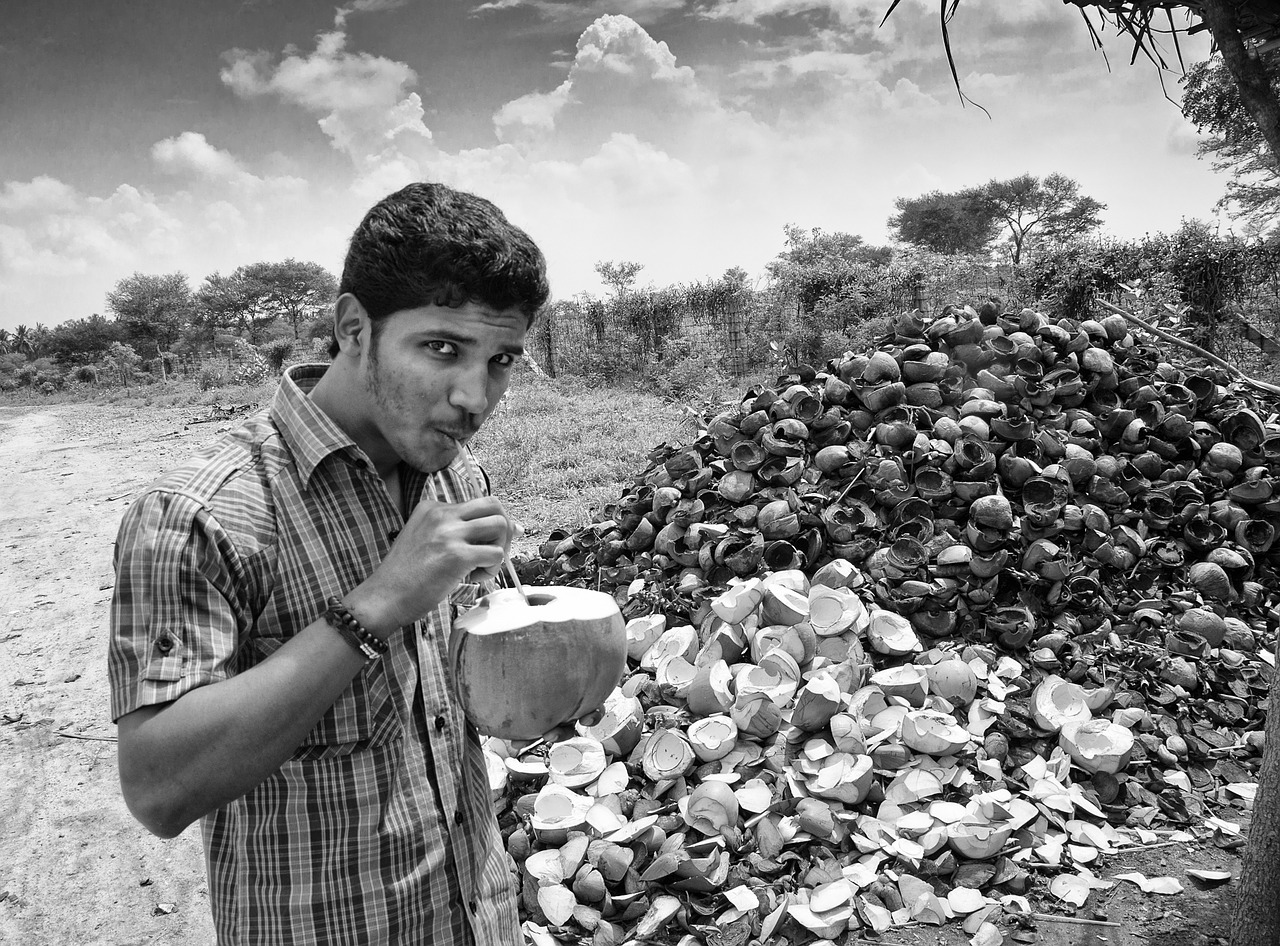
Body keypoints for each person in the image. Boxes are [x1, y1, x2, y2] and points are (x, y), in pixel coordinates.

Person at [108, 182, 581, 945]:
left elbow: (441, 706)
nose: (474, 395)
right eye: (441, 349)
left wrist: (543, 671)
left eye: (501, 360)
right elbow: (159, 790)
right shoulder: (201, 515)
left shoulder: (459, 481)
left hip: (477, 916)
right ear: (354, 327)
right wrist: (376, 606)